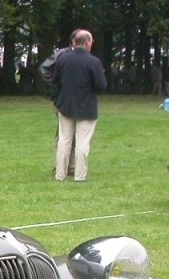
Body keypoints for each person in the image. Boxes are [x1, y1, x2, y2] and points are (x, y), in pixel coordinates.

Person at [52, 29, 107, 182]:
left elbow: (55, 83)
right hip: (86, 106)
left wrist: (56, 101)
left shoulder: (63, 60)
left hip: (65, 105)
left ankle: (60, 174)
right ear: (88, 42)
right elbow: (101, 85)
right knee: (82, 142)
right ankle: (79, 175)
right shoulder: (93, 62)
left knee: (64, 141)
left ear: (74, 42)